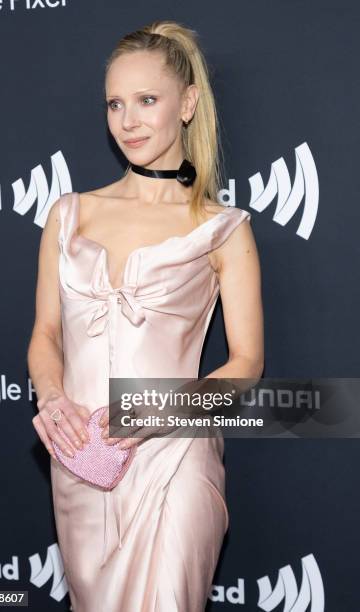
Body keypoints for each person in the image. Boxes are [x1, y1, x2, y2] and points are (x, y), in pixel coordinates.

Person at [27, 19, 264, 612]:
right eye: (115, 104)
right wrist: (52, 399)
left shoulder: (222, 228)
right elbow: (46, 333)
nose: (127, 121)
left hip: (176, 455)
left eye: (146, 100)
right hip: (83, 455)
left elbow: (248, 365)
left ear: (186, 105)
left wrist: (162, 410)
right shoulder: (68, 214)